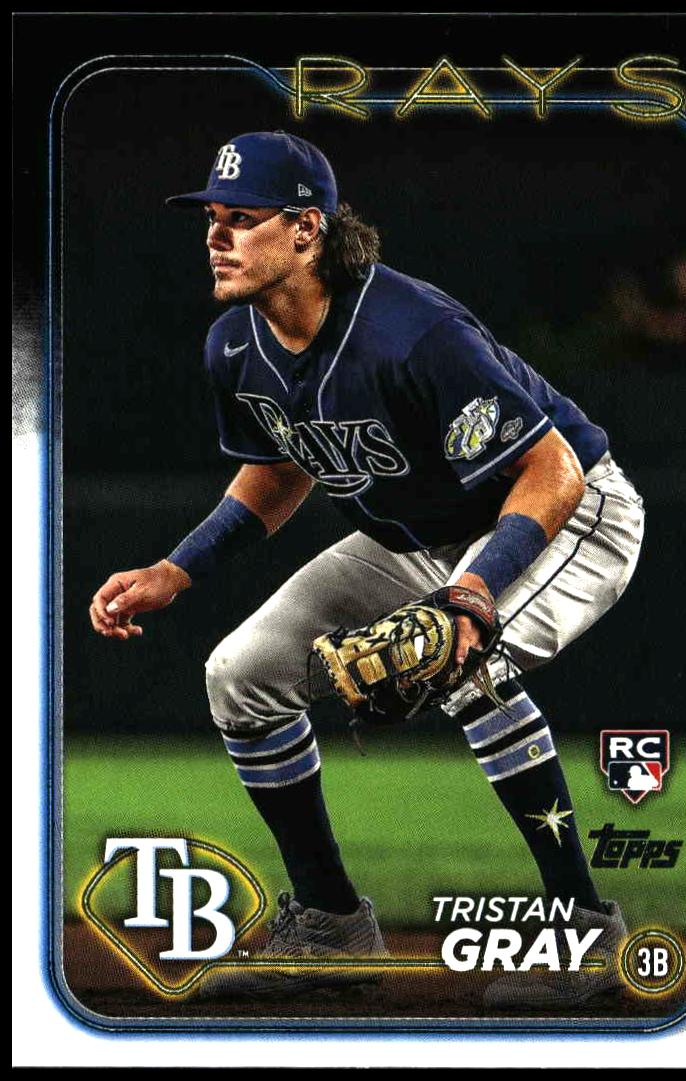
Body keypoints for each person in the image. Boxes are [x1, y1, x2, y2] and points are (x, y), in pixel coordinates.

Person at [89, 132, 645, 1009]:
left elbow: (552, 470)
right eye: (211, 218)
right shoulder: (234, 344)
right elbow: (281, 468)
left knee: (462, 662)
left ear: (306, 229)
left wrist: (471, 592)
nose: (216, 235)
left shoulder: (413, 332)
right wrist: (177, 568)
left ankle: (585, 934)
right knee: (241, 674)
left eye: (241, 218)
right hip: (413, 538)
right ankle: (330, 926)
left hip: (567, 514)